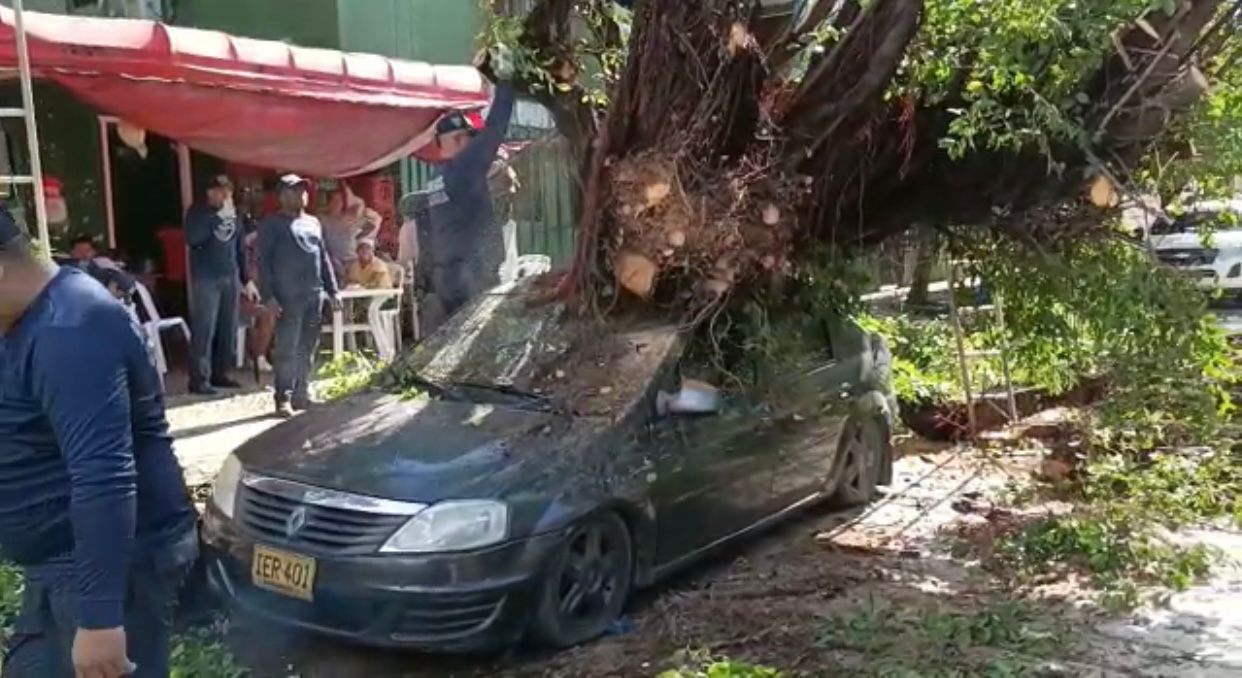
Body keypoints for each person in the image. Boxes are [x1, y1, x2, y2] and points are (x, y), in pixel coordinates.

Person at [0, 205, 198, 678]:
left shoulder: (72, 328)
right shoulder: (21, 322)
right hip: (57, 563)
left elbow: (104, 474)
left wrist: (100, 619)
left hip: (111, 562)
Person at [414, 72, 516, 319]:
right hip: (472, 270)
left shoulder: (435, 178)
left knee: (453, 341)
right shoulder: (464, 166)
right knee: (478, 336)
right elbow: (496, 126)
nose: (472, 144)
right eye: (470, 139)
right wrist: (507, 81)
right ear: (460, 139)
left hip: (445, 274)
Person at [257, 175, 341, 418]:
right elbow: (264, 264)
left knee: (308, 347)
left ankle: (301, 394)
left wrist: (333, 290)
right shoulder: (272, 225)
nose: (302, 195)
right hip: (287, 298)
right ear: (283, 195)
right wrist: (268, 297)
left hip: (314, 295)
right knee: (287, 348)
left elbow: (323, 257)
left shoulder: (313, 222)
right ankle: (282, 397)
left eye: (304, 190)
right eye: (296, 190)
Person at [185, 175, 254, 395]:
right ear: (210, 193)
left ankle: (220, 373)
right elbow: (193, 238)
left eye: (228, 192)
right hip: (206, 277)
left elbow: (240, 248)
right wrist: (217, 218)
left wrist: (247, 279)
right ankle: (199, 379)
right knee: (205, 328)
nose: (225, 197)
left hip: (230, 275)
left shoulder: (236, 215)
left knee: (228, 327)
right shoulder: (198, 212)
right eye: (220, 192)